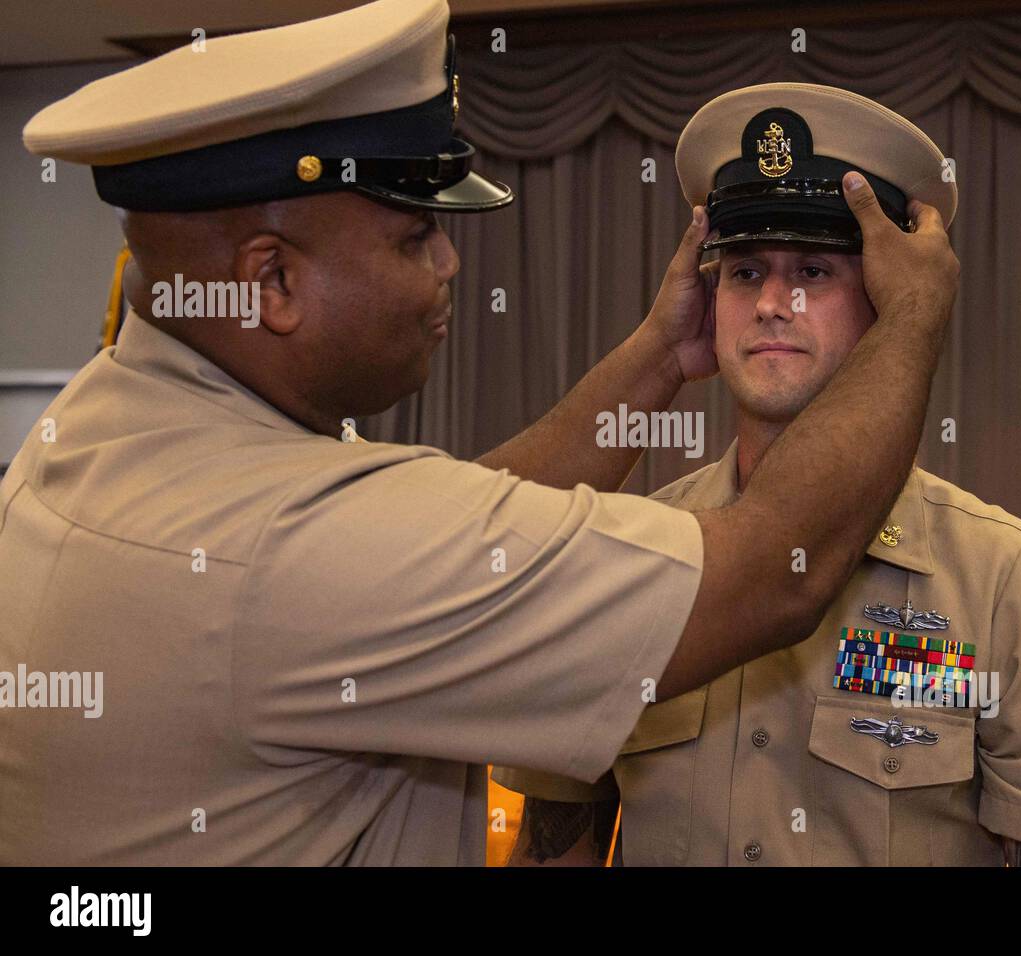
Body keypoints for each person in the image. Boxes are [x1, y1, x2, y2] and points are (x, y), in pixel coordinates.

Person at [0, 8, 959, 864]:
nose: (450, 263)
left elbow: (442, 536)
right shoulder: (287, 547)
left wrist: (664, 355)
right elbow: (772, 574)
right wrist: (914, 317)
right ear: (272, 281)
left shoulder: (96, 433)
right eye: (414, 237)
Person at [495, 83, 1021, 867]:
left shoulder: (1002, 576)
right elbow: (554, 840)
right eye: (742, 272)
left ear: (890, 300)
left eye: (812, 270)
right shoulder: (630, 552)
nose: (772, 301)